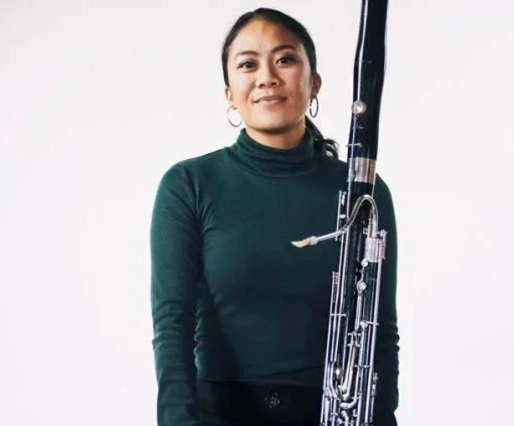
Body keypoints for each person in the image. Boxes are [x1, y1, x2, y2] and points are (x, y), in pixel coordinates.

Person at [150, 7, 399, 426]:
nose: (267, 76)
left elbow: (379, 330)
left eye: (285, 59)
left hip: (330, 414)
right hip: (218, 414)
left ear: (314, 82)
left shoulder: (365, 193)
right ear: (230, 92)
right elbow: (171, 326)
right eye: (248, 64)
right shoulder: (189, 185)